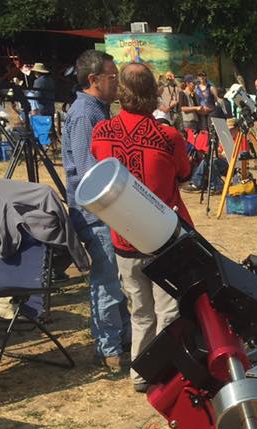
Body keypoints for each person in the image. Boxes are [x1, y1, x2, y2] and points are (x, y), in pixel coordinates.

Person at [91, 63, 192, 394]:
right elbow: (184, 173)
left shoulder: (102, 133)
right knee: (168, 311)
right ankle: (161, 370)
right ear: (153, 92)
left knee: (141, 313)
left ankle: (140, 374)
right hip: (163, 238)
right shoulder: (167, 136)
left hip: (124, 237)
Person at [62, 49, 130, 372]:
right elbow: (90, 173)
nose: (117, 83)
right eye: (112, 77)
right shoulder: (85, 114)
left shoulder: (99, 110)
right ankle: (109, 349)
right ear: (94, 80)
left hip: (105, 210)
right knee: (105, 279)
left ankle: (120, 338)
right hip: (94, 212)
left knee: (114, 278)